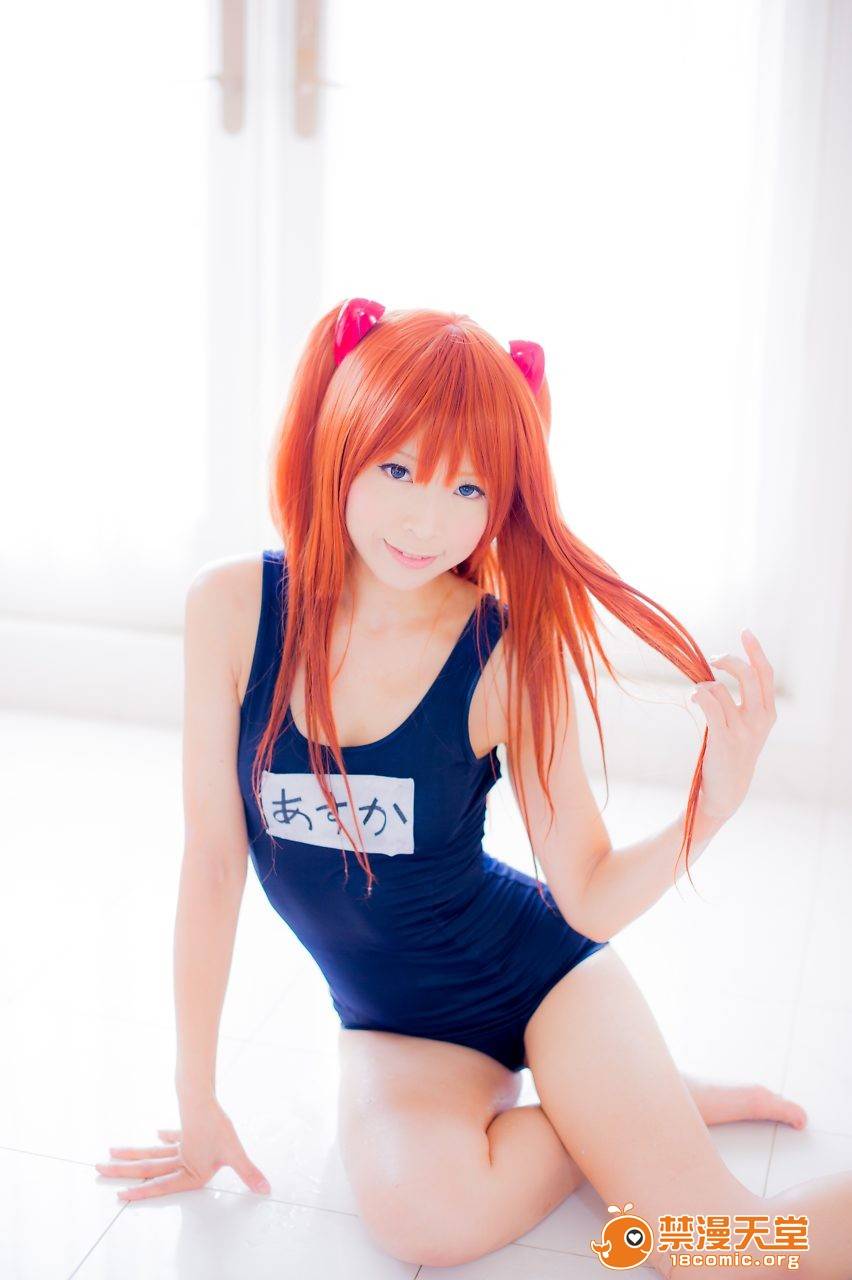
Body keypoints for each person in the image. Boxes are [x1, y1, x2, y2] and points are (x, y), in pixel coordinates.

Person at [95, 299, 851, 1276]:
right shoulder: (235, 609)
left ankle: (622, 1098)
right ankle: (618, 1108)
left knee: (727, 1254)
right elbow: (212, 861)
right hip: (395, 1025)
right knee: (426, 1225)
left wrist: (714, 805)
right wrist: (196, 1096)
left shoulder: (505, 652)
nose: (428, 519)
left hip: (544, 979)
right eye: (397, 469)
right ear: (339, 444)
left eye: (468, 487)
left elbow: (586, 891)